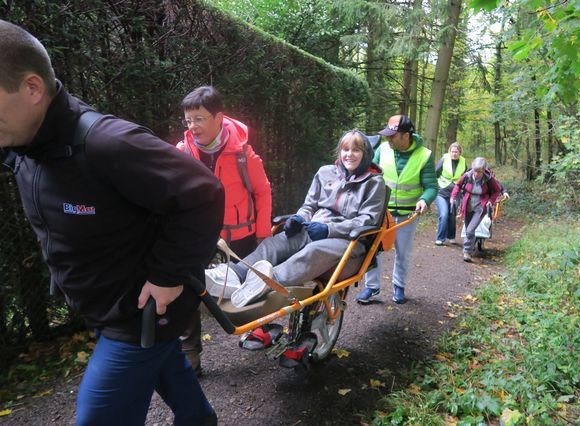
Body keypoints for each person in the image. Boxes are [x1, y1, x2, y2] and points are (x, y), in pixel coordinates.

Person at [0, 20, 223, 425]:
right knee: (175, 379)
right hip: (104, 309)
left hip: (137, 314)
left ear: (32, 89)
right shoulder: (22, 146)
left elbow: (203, 192)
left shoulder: (107, 143)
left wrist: (167, 275)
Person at [206, 130, 386, 307]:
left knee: (314, 251)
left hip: (349, 242)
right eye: (345, 150)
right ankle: (234, 274)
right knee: (276, 243)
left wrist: (329, 230)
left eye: (356, 150)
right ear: (339, 151)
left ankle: (267, 282)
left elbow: (368, 220)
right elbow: (310, 206)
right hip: (314, 229)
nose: (349, 155)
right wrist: (299, 218)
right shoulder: (326, 173)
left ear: (366, 154)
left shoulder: (373, 183)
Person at [176, 86, 272, 373]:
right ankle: (189, 352)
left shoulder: (243, 153)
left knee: (254, 282)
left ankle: (257, 329)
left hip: (241, 234)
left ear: (218, 117)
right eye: (188, 120)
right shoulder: (182, 153)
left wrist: (264, 233)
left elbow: (262, 192)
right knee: (186, 287)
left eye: (199, 119)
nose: (192, 127)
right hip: (199, 236)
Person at [355, 115, 437, 305]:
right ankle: (372, 287)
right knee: (373, 249)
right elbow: (369, 175)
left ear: (406, 135)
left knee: (403, 251)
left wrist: (425, 200)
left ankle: (399, 286)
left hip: (408, 214)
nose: (388, 139)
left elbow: (431, 186)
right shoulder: (382, 150)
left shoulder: (424, 155)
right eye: (387, 136)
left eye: (393, 136)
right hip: (381, 213)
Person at [450, 157, 502, 262]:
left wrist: (490, 201)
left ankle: (467, 252)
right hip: (468, 204)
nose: (476, 174)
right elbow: (458, 186)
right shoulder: (467, 176)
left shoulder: (489, 179)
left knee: (470, 230)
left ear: (483, 171)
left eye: (479, 172)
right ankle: (471, 247)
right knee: (469, 228)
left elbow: (497, 191)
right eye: (475, 171)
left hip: (480, 206)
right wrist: (453, 197)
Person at [434, 142, 467, 246]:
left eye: (456, 152)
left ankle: (451, 236)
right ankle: (440, 238)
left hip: (455, 193)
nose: (454, 154)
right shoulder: (444, 159)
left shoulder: (463, 162)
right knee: (444, 214)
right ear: (449, 151)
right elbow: (436, 172)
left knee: (452, 214)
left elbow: (465, 177)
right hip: (441, 192)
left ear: (460, 152)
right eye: (452, 151)